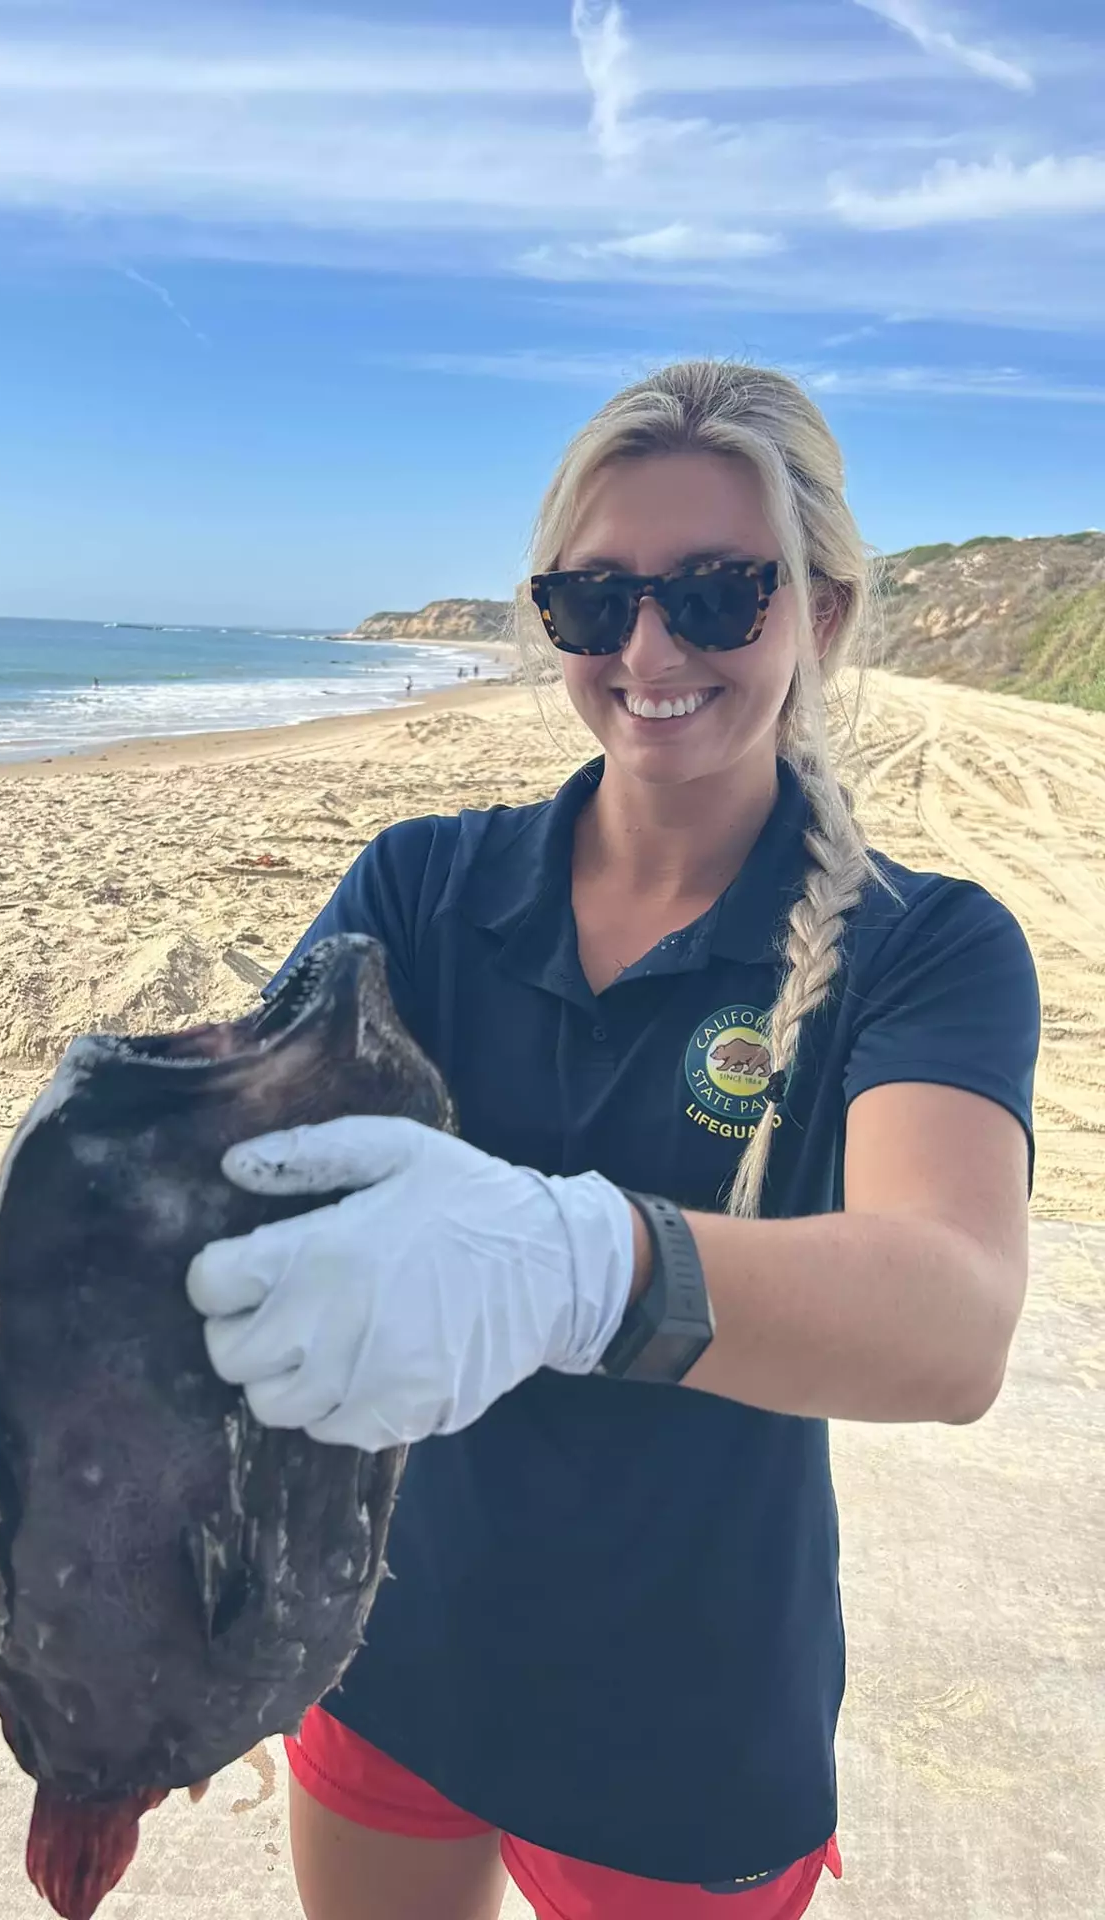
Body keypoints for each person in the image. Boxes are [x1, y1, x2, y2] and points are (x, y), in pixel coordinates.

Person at [187, 361, 1038, 1920]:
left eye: (720, 595)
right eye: (596, 601)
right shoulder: (420, 893)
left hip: (688, 1719)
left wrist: (594, 1262)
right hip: (389, 1647)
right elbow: (230, 1179)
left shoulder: (924, 950)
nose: (651, 650)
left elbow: (953, 1320)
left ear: (823, 617)